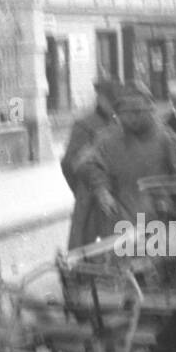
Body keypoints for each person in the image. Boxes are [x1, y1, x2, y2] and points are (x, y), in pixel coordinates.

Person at [79, 81, 176, 234]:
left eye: (138, 112)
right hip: (121, 218)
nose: (132, 118)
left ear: (150, 110)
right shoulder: (107, 139)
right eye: (126, 113)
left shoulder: (166, 138)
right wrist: (102, 190)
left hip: (159, 219)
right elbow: (86, 163)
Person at [63, 80, 118, 249]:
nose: (114, 105)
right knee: (82, 243)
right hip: (88, 193)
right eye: (110, 100)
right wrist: (80, 189)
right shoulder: (84, 126)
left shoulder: (119, 125)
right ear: (100, 99)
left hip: (115, 193)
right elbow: (69, 163)